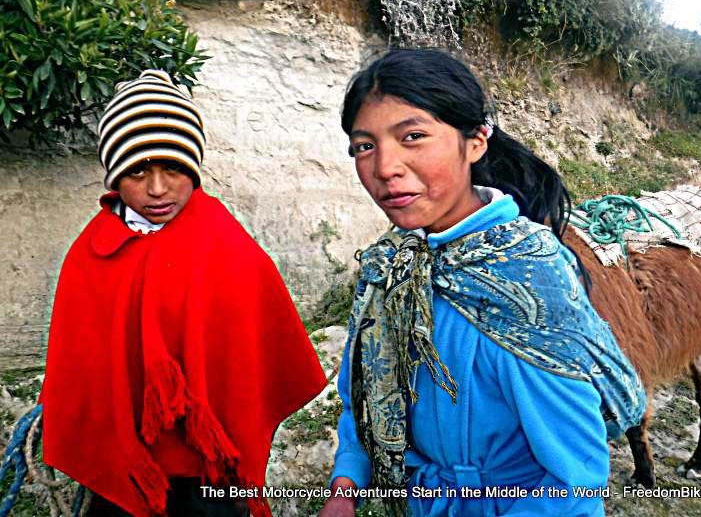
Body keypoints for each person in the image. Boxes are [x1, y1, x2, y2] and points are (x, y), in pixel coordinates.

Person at [319, 50, 646, 517]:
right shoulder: (389, 269)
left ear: (475, 142)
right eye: (364, 146)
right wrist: (344, 487)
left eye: (413, 136)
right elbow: (363, 397)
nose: (385, 167)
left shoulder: (530, 278)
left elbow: (574, 486)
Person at [39, 70, 327, 517]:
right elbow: (81, 366)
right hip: (129, 472)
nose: (157, 189)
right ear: (115, 177)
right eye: (137, 171)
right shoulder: (91, 254)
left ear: (193, 168)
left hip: (210, 472)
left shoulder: (224, 241)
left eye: (173, 168)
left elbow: (260, 344)